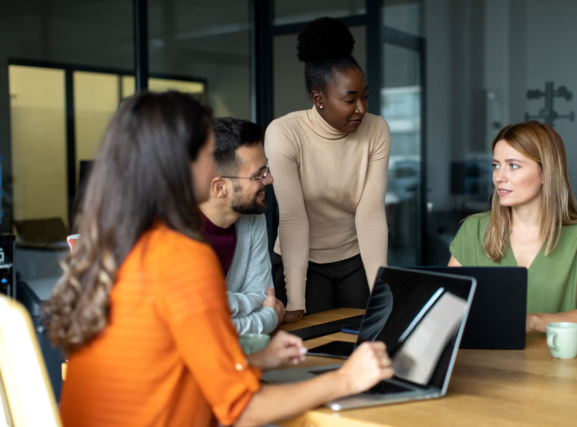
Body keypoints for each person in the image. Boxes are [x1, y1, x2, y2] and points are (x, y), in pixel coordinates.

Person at [41, 91, 393, 427]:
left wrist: (254, 360)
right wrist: (347, 379)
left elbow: (169, 366)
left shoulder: (127, 241)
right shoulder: (181, 255)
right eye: (209, 153)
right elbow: (240, 410)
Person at [266, 17, 390, 321]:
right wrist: (295, 300)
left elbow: (371, 213)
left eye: (365, 96)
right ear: (318, 99)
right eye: (350, 100)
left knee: (367, 332)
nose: (361, 108)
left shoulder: (377, 129)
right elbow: (293, 219)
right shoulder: (284, 133)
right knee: (310, 338)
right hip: (302, 258)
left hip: (354, 256)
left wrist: (380, 292)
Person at [448, 121, 577, 334]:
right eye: (496, 165)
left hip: (557, 364)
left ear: (546, 173)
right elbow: (448, 305)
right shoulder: (473, 229)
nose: (499, 177)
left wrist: (531, 322)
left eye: (513, 165)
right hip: (483, 362)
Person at [200, 117, 284, 334]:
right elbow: (199, 329)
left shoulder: (252, 216)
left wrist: (216, 306)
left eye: (266, 170)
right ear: (219, 187)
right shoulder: (171, 232)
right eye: (258, 175)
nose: (270, 179)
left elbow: (263, 294)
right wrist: (268, 317)